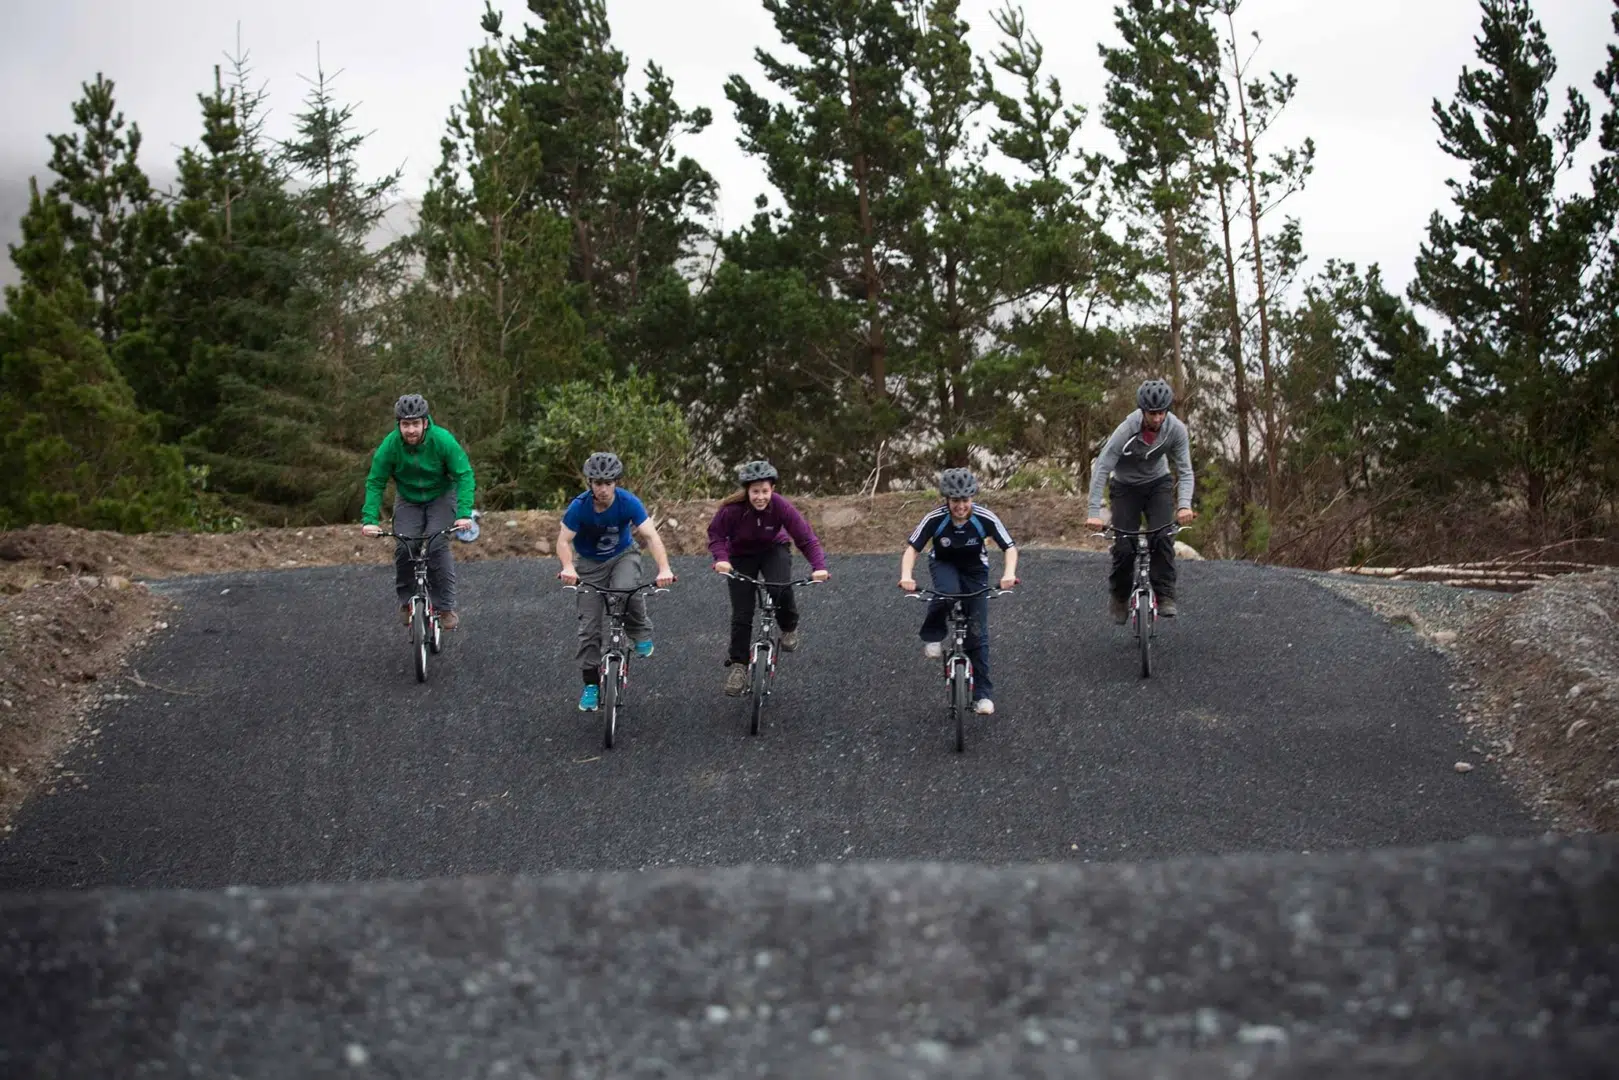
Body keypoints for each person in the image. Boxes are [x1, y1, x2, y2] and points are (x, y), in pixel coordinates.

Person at [556, 452, 677, 712]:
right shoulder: (579, 507)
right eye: (598, 483)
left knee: (627, 590)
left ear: (616, 482)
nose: (603, 489)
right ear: (590, 483)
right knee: (588, 629)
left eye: (608, 483)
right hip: (589, 565)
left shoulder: (628, 502)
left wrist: (664, 568)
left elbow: (651, 537)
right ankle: (590, 685)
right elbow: (563, 541)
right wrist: (568, 566)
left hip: (623, 555)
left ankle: (639, 631)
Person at [898, 468, 1019, 716]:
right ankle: (933, 634)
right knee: (947, 593)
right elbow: (912, 549)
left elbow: (1010, 547)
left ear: (972, 497)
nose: (961, 506)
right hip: (944, 563)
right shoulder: (935, 518)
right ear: (947, 500)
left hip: (975, 569)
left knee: (978, 634)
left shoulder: (985, 517)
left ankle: (982, 695)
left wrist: (1008, 574)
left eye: (965, 500)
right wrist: (906, 576)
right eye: (955, 501)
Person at [707, 460, 832, 696]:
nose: (760, 497)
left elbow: (805, 538)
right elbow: (716, 535)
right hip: (741, 556)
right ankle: (738, 666)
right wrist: (721, 559)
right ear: (747, 491)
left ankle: (788, 627)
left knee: (779, 588)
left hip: (773, 549)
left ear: (772, 489)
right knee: (742, 612)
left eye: (765, 491)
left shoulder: (781, 507)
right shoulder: (731, 510)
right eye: (755, 492)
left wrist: (819, 566)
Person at [1084, 378, 1197, 621]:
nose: (1157, 419)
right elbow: (1103, 466)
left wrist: (1185, 504)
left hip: (1158, 484)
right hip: (1125, 487)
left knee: (1162, 537)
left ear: (1167, 411)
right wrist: (1093, 511)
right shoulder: (1126, 429)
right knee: (1124, 547)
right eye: (1152, 413)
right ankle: (1120, 596)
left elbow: (1185, 470)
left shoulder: (1176, 429)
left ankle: (1165, 594)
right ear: (1142, 411)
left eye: (1161, 413)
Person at [359, 394, 476, 630]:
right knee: (404, 546)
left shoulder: (442, 440)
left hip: (441, 497)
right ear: (398, 425)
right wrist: (369, 519)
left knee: (436, 545)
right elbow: (375, 481)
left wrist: (463, 513)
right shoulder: (390, 446)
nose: (410, 430)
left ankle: (445, 607)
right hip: (408, 500)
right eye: (405, 424)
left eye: (415, 424)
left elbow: (464, 474)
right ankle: (406, 601)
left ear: (425, 422)